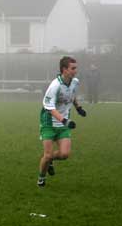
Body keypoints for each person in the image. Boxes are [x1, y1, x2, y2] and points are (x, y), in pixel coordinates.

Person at [37, 56, 87, 187]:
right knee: (46, 156)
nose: (76, 70)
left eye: (76, 68)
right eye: (73, 68)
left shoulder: (74, 82)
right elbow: (50, 107)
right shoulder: (55, 85)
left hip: (64, 124)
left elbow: (72, 95)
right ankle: (41, 178)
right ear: (64, 69)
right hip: (49, 123)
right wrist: (64, 120)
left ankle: (49, 160)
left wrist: (78, 108)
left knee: (64, 154)